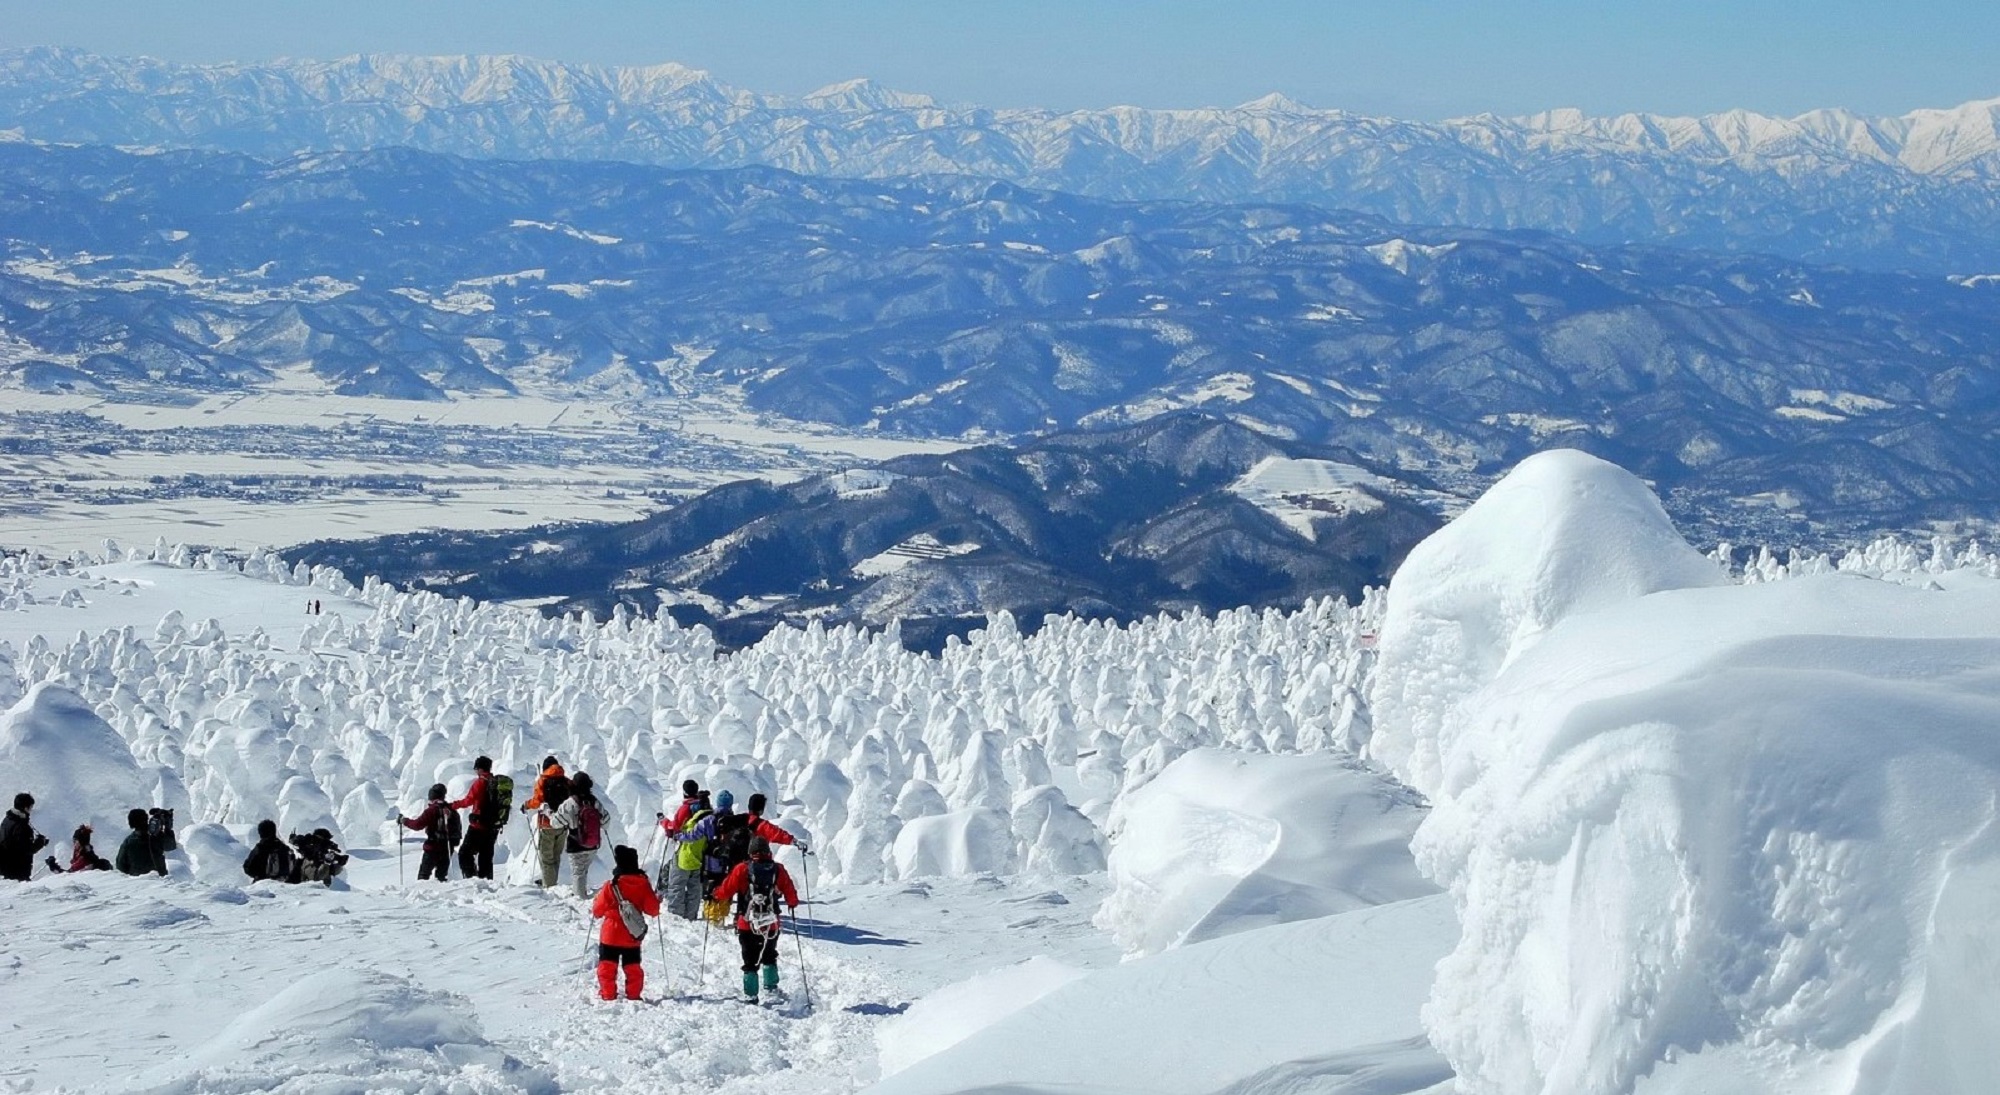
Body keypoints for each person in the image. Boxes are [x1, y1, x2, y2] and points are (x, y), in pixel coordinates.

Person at [711, 836, 801, 1004]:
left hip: (747, 923)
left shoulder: (742, 869)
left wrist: (715, 893)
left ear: (751, 852)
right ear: (768, 851)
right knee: (770, 955)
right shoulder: (778, 869)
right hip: (771, 922)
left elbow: (726, 891)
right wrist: (792, 903)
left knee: (749, 960)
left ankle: (751, 995)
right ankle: (771, 988)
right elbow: (790, 893)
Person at [589, 845, 660, 1002]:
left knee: (607, 966)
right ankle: (634, 995)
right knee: (632, 967)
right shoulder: (643, 884)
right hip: (632, 934)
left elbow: (597, 909)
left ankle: (608, 994)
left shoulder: (611, 885)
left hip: (610, 934)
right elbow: (653, 910)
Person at [519, 756, 572, 889]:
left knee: (546, 857)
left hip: (547, 823)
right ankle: (550, 881)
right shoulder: (566, 781)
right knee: (556, 855)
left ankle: (549, 886)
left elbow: (537, 801)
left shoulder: (543, 781)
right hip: (563, 823)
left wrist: (526, 805)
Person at [661, 791, 713, 920]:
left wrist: (670, 828)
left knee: (677, 886)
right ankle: (691, 915)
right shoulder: (712, 819)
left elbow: (679, 831)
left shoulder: (695, 822)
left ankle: (676, 916)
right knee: (694, 889)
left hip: (684, 858)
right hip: (698, 859)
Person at [554, 771, 605, 899]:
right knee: (583, 870)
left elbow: (556, 823)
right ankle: (586, 893)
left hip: (576, 844)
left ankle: (580, 898)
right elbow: (606, 820)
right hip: (593, 844)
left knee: (578, 872)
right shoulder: (594, 802)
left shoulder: (570, 803)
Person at [449, 756, 502, 880]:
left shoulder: (480, 783)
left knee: (464, 853)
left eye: (476, 768)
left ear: (479, 769)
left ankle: (472, 879)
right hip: (493, 826)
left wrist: (453, 805)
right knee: (486, 857)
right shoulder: (496, 782)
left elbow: (468, 800)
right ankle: (487, 882)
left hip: (478, 825)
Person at [400, 783, 459, 882]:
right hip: (447, 848)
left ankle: (421, 894)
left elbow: (417, 825)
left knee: (423, 876)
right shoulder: (451, 810)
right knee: (441, 877)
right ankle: (441, 894)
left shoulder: (431, 810)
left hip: (432, 847)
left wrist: (404, 821)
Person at [1, 793, 48, 881]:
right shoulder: (22, 826)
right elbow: (27, 849)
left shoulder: (7, 819)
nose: (31, 810)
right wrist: (41, 842)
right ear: (25, 808)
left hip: (6, 868)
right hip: (18, 870)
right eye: (30, 807)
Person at [742, 793, 807, 854]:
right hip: (753, 861)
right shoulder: (762, 825)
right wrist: (795, 842)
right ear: (761, 809)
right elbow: (778, 834)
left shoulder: (739, 819)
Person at [116, 808, 166, 876]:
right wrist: (168, 829)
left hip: (137, 882)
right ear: (146, 819)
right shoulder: (156, 836)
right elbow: (171, 845)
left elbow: (120, 866)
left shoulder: (128, 842)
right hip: (159, 881)